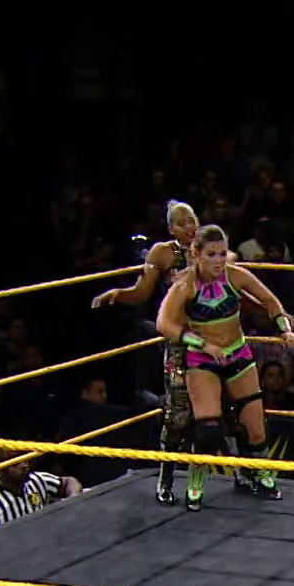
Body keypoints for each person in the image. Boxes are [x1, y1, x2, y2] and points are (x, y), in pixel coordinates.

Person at [156, 224, 294, 511]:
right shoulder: (185, 286)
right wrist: (202, 344)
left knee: (256, 427)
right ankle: (195, 483)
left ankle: (261, 475)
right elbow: (163, 324)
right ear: (197, 254)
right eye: (211, 254)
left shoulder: (235, 275)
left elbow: (269, 300)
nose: (219, 260)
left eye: (222, 253)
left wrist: (285, 329)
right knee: (207, 428)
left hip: (237, 353)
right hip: (202, 360)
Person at [93, 200, 201, 504]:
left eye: (192, 220)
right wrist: (118, 293)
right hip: (180, 340)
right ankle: (166, 478)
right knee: (178, 415)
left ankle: (207, 480)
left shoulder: (208, 247)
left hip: (214, 338)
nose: (189, 227)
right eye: (181, 223)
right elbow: (142, 291)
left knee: (214, 414)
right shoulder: (162, 253)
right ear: (171, 229)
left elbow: (232, 268)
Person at [0, 451, 81, 533]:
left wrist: (73, 498)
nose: (25, 465)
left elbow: (68, 482)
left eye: (25, 459)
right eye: (17, 463)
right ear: (1, 470)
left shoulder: (36, 480)